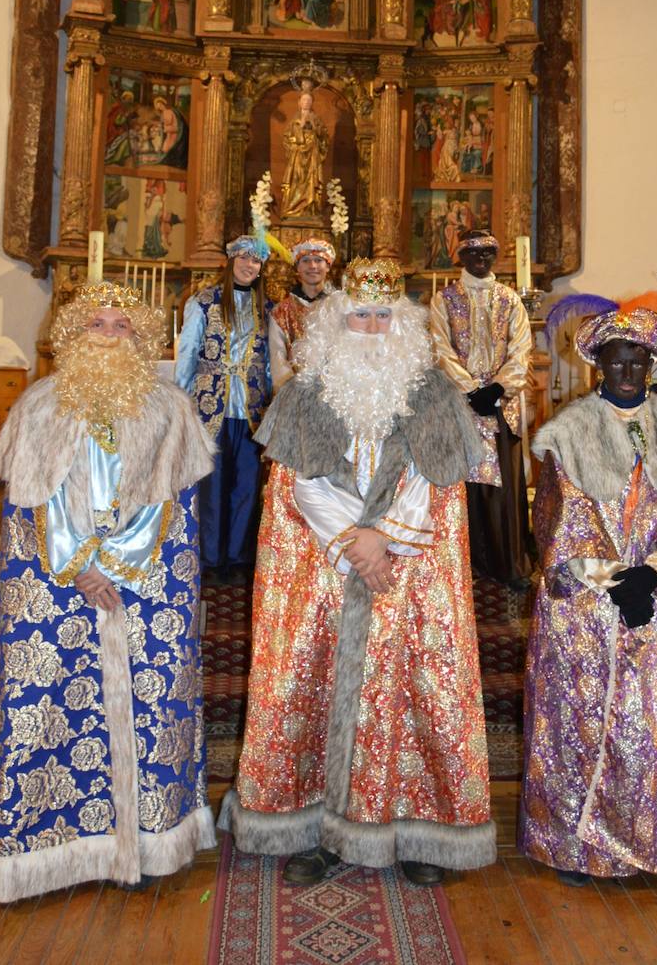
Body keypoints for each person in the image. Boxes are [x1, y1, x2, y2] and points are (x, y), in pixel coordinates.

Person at [219, 259, 496, 887]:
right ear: (337, 323)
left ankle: (420, 829)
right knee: (315, 690)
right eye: (358, 316)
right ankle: (321, 829)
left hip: (410, 570)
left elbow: (439, 479)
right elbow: (298, 483)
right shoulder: (305, 392)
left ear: (401, 325)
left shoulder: (434, 392)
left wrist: (386, 540)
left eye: (382, 317)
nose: (370, 329)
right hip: (325, 568)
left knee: (414, 692)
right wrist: (356, 544)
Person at [0, 281, 217, 901]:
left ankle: (150, 838)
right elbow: (29, 502)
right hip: (52, 584)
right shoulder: (39, 405)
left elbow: (174, 502)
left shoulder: (170, 407)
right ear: (74, 335)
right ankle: (44, 846)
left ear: (141, 338)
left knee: (153, 701)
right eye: (98, 325)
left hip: (145, 586)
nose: (110, 337)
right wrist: (78, 566)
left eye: (123, 327)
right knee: (48, 702)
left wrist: (116, 563)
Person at [520, 292, 657, 892]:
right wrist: (610, 578)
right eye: (617, 361)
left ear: (652, 364)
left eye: (638, 361)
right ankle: (573, 844)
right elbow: (556, 521)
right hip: (586, 604)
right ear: (599, 365)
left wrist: (655, 572)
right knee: (582, 724)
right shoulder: (565, 434)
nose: (628, 371)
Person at [430, 229, 533, 586]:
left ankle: (507, 563)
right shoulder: (444, 300)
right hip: (460, 406)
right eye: (473, 253)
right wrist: (471, 389)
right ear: (460, 257)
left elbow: (521, 348)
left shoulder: (509, 299)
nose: (481, 259)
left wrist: (499, 387)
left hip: (501, 406)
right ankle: (461, 567)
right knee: (463, 488)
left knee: (502, 487)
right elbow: (439, 347)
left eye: (488, 252)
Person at [176, 235, 273, 575]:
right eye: (244, 258)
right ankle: (211, 557)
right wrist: (181, 399)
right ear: (231, 261)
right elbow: (188, 352)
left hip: (251, 409)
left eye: (256, 261)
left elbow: (272, 361)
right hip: (210, 403)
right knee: (213, 484)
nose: (249, 266)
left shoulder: (267, 307)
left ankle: (238, 557)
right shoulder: (205, 302)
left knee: (246, 485)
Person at [269, 237, 335, 391]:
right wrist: (292, 393)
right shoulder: (280, 311)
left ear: (328, 266)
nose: (312, 266)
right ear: (297, 268)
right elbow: (278, 358)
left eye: (318, 260)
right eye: (305, 260)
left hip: (333, 392)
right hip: (294, 394)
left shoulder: (339, 307)